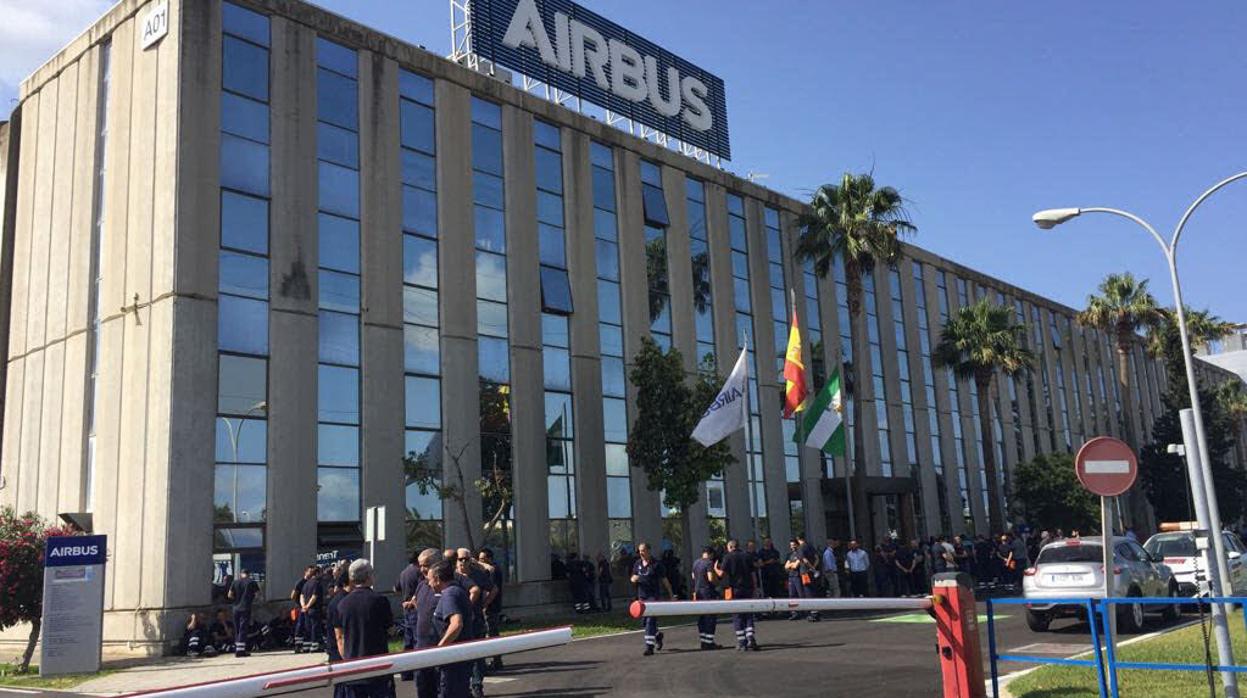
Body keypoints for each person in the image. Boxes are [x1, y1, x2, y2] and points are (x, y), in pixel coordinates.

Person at [333, 559, 395, 698]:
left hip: (353, 665)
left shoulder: (342, 604)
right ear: (369, 576)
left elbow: (339, 637)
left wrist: (347, 658)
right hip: (378, 665)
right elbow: (391, 630)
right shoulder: (380, 601)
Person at [429, 561, 474, 698]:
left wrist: (440, 648)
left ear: (437, 579)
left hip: (453, 661)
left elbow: (456, 624)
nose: (429, 584)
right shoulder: (457, 591)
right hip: (460, 658)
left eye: (430, 580)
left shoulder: (450, 595)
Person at [457, 547, 495, 698]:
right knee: (461, 656)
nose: (463, 562)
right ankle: (463, 687)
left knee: (477, 656)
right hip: (458, 623)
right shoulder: (452, 576)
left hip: (476, 620)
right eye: (461, 559)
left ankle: (477, 685)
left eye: (467, 559)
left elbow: (493, 589)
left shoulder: (478, 575)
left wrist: (484, 603)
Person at [630, 542, 672, 656]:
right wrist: (634, 579)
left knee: (650, 620)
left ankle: (649, 647)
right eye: (639, 551)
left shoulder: (657, 564)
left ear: (648, 551)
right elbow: (633, 577)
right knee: (644, 622)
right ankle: (658, 635)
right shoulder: (637, 564)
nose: (641, 553)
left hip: (653, 597)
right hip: (642, 596)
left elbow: (665, 580)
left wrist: (671, 594)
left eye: (643, 550)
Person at [716, 539, 758, 651]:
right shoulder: (747, 556)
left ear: (729, 547)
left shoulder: (728, 557)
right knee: (749, 613)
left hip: (735, 589)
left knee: (737, 615)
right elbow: (753, 573)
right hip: (748, 588)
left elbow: (721, 574)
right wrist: (755, 588)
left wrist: (715, 568)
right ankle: (750, 636)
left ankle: (741, 641)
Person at [412, 549, 442, 698]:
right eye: (420, 565)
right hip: (422, 650)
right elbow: (418, 606)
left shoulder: (447, 587)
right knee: (423, 690)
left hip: (440, 649)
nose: (423, 569)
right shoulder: (421, 586)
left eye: (426, 565)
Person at [396, 551, 425, 681]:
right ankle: (417, 669)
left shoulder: (403, 573)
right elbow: (421, 588)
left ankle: (405, 672)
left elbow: (395, 588)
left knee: (407, 641)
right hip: (414, 608)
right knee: (416, 639)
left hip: (406, 609)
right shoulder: (418, 573)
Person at [477, 548, 504, 671]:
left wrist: (484, 604)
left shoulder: (493, 571)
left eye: (483, 559)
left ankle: (497, 660)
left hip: (491, 607)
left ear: (490, 559)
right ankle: (496, 659)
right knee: (492, 633)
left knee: (492, 633)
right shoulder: (491, 570)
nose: (480, 561)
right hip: (492, 606)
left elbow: (491, 590)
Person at [690, 546, 719, 650]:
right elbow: (711, 578)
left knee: (701, 617)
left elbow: (693, 577)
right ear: (711, 554)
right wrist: (717, 582)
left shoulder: (696, 563)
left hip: (698, 592)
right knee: (710, 617)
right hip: (707, 592)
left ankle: (703, 640)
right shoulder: (709, 563)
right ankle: (709, 641)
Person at [227, 568, 260, 657]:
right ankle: (240, 651)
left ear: (241, 574)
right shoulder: (251, 582)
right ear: (248, 574)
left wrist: (237, 599)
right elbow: (257, 595)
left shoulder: (235, 582)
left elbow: (229, 595)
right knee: (243, 628)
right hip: (245, 608)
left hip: (235, 608)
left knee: (237, 628)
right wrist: (250, 598)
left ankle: (237, 648)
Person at [795, 534, 822, 620]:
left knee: (808, 591)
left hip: (805, 572)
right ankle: (817, 611)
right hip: (812, 572)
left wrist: (811, 568)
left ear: (798, 539)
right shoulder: (810, 546)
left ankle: (813, 612)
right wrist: (814, 568)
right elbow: (817, 558)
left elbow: (804, 560)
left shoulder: (801, 548)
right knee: (814, 590)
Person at [300, 565, 325, 652]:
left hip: (306, 610)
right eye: (320, 573)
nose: (322, 575)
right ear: (317, 573)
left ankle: (306, 646)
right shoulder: (317, 583)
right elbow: (314, 597)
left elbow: (301, 596)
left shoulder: (306, 583)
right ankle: (314, 647)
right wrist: (308, 605)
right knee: (315, 627)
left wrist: (304, 606)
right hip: (314, 609)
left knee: (308, 628)